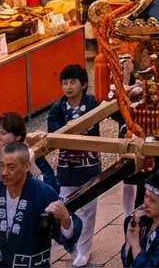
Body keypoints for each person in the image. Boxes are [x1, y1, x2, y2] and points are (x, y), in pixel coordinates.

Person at [0, 141, 82, 268]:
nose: (4, 172)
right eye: (1, 165)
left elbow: (63, 234)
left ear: (26, 166)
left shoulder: (43, 192)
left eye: (11, 167)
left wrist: (65, 219)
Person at [48, 64, 101, 268]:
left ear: (84, 84)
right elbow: (54, 133)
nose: (68, 87)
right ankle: (72, 243)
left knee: (88, 209)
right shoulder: (57, 108)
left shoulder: (93, 104)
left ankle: (84, 250)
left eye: (72, 82)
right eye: (64, 83)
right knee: (66, 207)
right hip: (67, 166)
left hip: (89, 164)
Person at [0, 112, 58, 197]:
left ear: (18, 137)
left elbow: (53, 188)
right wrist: (5, 189)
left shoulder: (33, 156)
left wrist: (33, 166)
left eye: (3, 133)